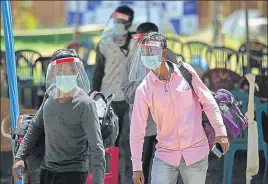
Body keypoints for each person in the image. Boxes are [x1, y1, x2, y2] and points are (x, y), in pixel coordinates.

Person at [129, 32, 230, 184]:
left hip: (196, 152)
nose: (148, 55)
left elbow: (208, 101)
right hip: (165, 156)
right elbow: (137, 129)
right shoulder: (143, 89)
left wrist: (221, 132)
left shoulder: (186, 72)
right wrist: (137, 167)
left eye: (152, 50)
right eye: (145, 51)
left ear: (163, 52)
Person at [12, 49, 105, 184]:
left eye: (71, 70)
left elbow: (96, 148)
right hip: (47, 170)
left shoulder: (85, 104)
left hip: (74, 172)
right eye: (61, 70)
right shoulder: (50, 95)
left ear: (77, 73)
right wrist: (19, 157)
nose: (66, 74)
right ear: (54, 73)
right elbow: (35, 127)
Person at [120, 22, 177, 184]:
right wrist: (145, 82)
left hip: (166, 123)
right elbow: (127, 92)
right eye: (142, 41)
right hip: (143, 124)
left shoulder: (168, 55)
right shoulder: (131, 60)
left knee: (166, 167)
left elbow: (178, 86)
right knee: (140, 167)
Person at [91, 5, 134, 184]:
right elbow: (98, 73)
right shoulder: (105, 44)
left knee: (128, 144)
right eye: (116, 20)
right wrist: (94, 95)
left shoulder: (136, 44)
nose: (118, 24)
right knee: (109, 143)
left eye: (122, 21)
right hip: (108, 101)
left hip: (130, 101)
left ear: (129, 23)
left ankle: (128, 179)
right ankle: (110, 179)